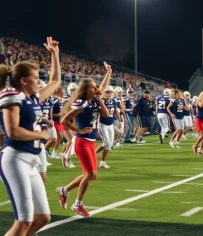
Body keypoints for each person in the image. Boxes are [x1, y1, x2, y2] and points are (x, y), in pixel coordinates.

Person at [0, 36, 60, 236]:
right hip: (16, 158)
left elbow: (55, 81)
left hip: (32, 160)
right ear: (23, 81)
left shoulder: (32, 97)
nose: (38, 80)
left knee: (43, 217)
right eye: (35, 77)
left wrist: (55, 55)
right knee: (23, 221)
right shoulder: (12, 95)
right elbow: (12, 131)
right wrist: (40, 133)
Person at [58, 62, 111, 217]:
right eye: (93, 88)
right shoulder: (81, 103)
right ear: (85, 90)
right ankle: (77, 204)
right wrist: (78, 130)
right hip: (82, 141)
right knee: (89, 174)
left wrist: (108, 72)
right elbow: (64, 121)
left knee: (92, 175)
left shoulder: (94, 99)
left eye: (96, 87)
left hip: (91, 141)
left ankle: (64, 190)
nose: (96, 90)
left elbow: (107, 115)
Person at [96, 85, 121, 168]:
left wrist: (119, 120)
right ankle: (93, 154)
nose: (109, 93)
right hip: (102, 124)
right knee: (107, 143)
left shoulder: (113, 101)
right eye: (107, 92)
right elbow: (102, 113)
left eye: (110, 92)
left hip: (110, 124)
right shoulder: (100, 101)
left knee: (109, 144)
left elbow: (116, 111)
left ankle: (102, 162)